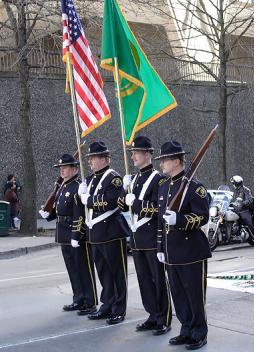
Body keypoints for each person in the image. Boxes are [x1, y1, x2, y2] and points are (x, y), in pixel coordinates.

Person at [155, 141, 211, 350]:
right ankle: (186, 330)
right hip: (171, 252)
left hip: (191, 251)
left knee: (194, 295)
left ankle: (199, 333)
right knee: (178, 295)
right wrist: (160, 248)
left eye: (165, 160)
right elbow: (161, 220)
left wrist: (179, 220)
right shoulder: (163, 186)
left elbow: (202, 217)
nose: (161, 164)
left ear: (177, 161)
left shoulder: (195, 187)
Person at [118, 136, 172, 335]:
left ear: (148, 154)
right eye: (132, 153)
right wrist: (124, 189)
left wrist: (137, 203)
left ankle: (164, 319)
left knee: (157, 279)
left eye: (136, 152)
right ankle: (152, 315)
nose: (132, 156)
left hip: (151, 237)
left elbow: (160, 210)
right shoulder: (135, 179)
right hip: (137, 238)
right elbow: (121, 205)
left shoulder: (159, 179)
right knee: (143, 280)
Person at [39, 154, 98, 315]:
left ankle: (90, 302)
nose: (62, 171)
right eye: (60, 168)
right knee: (72, 269)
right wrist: (48, 215)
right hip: (64, 233)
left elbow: (79, 213)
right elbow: (59, 209)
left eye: (65, 168)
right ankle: (78, 298)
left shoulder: (78, 186)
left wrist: (76, 235)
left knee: (83, 269)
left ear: (74, 169)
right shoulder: (63, 186)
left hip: (75, 234)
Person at [78, 141, 129, 325]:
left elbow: (111, 201)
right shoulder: (91, 179)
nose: (90, 162)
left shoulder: (113, 178)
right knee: (103, 273)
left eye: (92, 158)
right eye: (89, 158)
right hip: (96, 233)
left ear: (103, 159)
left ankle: (119, 309)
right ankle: (107, 305)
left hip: (111, 232)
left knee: (117, 274)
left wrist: (88, 199)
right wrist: (83, 194)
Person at [230, 175, 254, 248]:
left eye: (233, 183)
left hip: (244, 211)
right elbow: (232, 200)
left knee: (249, 224)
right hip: (236, 211)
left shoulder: (246, 190)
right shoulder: (235, 191)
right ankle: (234, 234)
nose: (233, 184)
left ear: (237, 183)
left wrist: (242, 203)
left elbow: (250, 200)